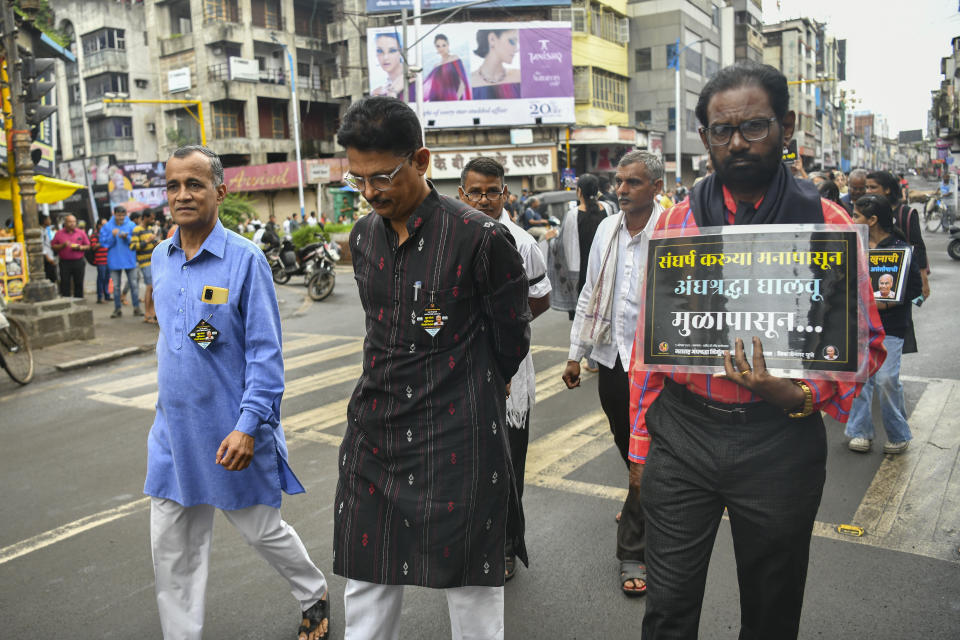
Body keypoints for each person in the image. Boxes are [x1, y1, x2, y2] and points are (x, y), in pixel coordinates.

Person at [628, 62, 885, 639]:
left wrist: (796, 395)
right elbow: (649, 345)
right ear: (704, 138)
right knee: (667, 609)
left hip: (780, 439)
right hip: (682, 434)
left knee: (772, 612)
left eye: (755, 127)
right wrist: (641, 447)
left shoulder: (829, 225)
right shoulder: (675, 227)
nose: (738, 142)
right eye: (722, 130)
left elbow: (865, 344)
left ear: (786, 127)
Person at [333, 96, 530, 640]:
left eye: (383, 176)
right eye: (358, 179)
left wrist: (467, 390)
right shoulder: (364, 237)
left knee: (471, 589)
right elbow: (378, 331)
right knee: (366, 582)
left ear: (421, 161)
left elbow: (510, 339)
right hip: (376, 435)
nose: (370, 192)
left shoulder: (481, 238)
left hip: (458, 440)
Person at [147, 145, 330, 640]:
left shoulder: (245, 261)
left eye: (195, 184)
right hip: (173, 435)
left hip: (231, 432)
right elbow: (169, 331)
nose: (182, 194)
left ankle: (313, 593)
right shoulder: (159, 259)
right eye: (173, 186)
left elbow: (265, 355)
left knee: (262, 531)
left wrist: (249, 426)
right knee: (172, 550)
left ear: (220, 192)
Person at [562, 151, 665, 598]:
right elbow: (589, 292)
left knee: (648, 454)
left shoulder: (674, 228)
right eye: (619, 181)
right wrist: (574, 352)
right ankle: (642, 493)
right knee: (627, 441)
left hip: (658, 362)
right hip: (612, 356)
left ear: (656, 188)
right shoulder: (607, 229)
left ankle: (635, 545)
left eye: (633, 183)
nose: (620, 190)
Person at [459, 156, 551, 582]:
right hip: (458, 377)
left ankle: (508, 546)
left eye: (491, 191)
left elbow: (542, 298)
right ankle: (475, 541)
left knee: (509, 465)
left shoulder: (521, 242)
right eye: (474, 191)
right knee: (467, 467)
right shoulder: (450, 238)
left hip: (508, 375)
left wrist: (503, 329)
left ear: (505, 194)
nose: (483, 200)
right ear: (462, 194)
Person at [847, 194, 922, 455]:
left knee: (887, 380)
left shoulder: (901, 249)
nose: (852, 220)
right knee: (860, 379)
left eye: (856, 216)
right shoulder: (853, 246)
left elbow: (913, 289)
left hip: (890, 327)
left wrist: (887, 303)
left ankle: (898, 433)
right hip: (857, 326)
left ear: (872, 219)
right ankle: (859, 431)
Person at [866, 170, 930, 302]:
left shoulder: (906, 213)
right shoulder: (865, 212)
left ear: (887, 189)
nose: (868, 191)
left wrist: (923, 278)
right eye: (866, 187)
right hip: (872, 277)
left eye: (873, 187)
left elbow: (917, 246)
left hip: (902, 277)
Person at [99, 206, 142, 318]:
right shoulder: (107, 226)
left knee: (134, 284)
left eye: (123, 215)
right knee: (116, 287)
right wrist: (112, 236)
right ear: (114, 214)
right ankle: (117, 309)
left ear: (126, 214)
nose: (121, 217)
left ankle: (136, 308)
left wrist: (126, 238)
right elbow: (103, 243)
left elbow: (136, 240)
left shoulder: (131, 225)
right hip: (114, 260)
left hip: (129, 259)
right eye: (119, 215)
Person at [470, 29, 521, 100]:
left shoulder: (519, 77)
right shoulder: (469, 82)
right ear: (492, 39)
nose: (517, 49)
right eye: (512, 41)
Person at [130, 210, 159, 324]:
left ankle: (152, 313)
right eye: (151, 218)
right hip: (145, 262)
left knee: (153, 288)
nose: (152, 220)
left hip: (153, 262)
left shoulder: (149, 229)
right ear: (145, 218)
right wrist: (147, 240)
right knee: (149, 288)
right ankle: (147, 314)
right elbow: (133, 246)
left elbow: (152, 244)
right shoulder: (137, 229)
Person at [51, 214, 90, 298]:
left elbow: (88, 246)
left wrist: (80, 247)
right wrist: (62, 245)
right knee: (65, 283)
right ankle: (66, 301)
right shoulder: (59, 233)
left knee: (79, 282)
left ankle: (79, 301)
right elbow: (53, 246)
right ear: (65, 223)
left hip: (78, 261)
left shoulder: (81, 233)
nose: (72, 224)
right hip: (65, 262)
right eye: (69, 222)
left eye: (73, 222)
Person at [424, 34, 471, 101]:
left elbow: (463, 83)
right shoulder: (436, 66)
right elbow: (432, 89)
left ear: (448, 45)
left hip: (453, 99)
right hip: (438, 101)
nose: (441, 48)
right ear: (435, 47)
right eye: (438, 46)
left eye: (444, 45)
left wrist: (456, 100)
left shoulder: (454, 59)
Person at [371, 32, 411, 100]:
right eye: (380, 51)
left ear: (401, 52)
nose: (385, 57)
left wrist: (393, 91)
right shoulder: (377, 92)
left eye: (392, 50)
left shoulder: (414, 80)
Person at [90, 218, 112, 303]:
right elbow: (93, 247)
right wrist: (102, 242)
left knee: (107, 278)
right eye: (103, 224)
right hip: (100, 260)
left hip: (108, 260)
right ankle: (100, 297)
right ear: (99, 225)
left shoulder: (108, 234)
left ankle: (107, 295)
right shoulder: (95, 235)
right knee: (101, 279)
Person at [40, 213, 58, 284]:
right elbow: (41, 246)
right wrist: (48, 258)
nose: (50, 221)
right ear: (44, 221)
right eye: (48, 219)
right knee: (50, 277)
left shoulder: (46, 230)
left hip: (49, 255)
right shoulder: (40, 231)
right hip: (46, 258)